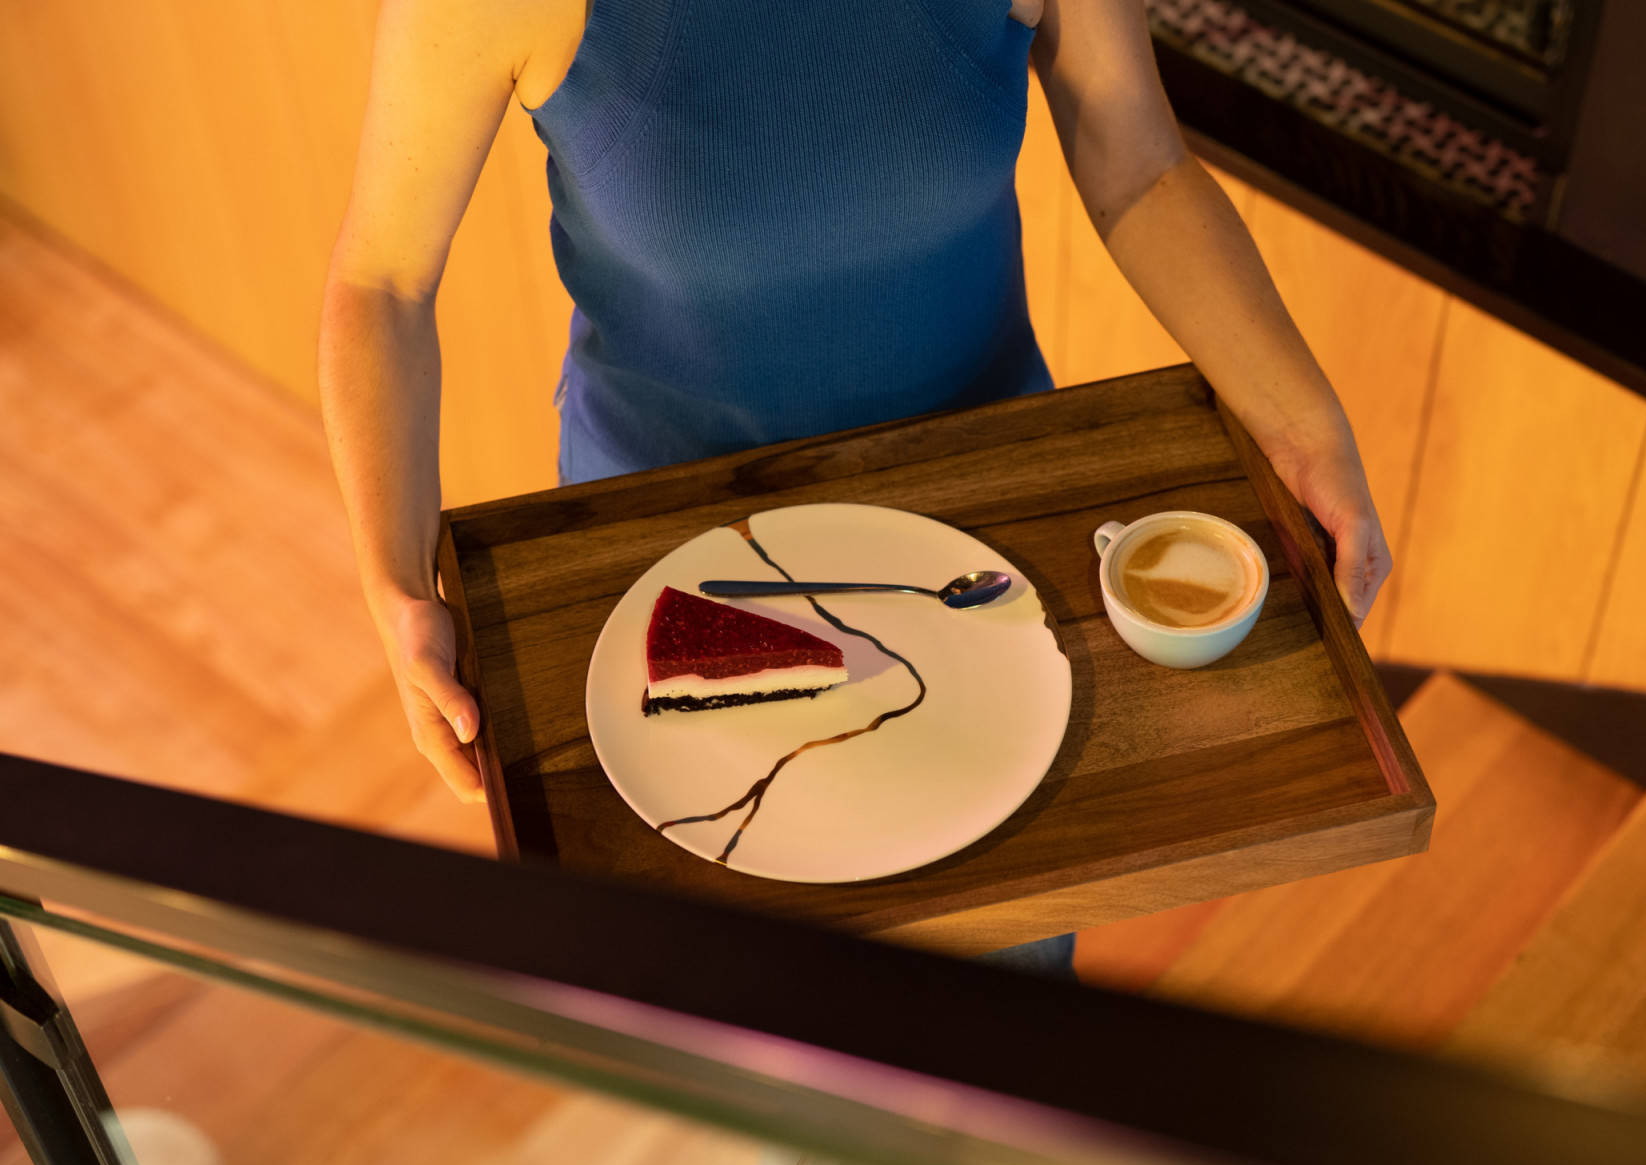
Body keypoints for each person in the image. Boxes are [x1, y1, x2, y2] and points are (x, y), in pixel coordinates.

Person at [320, 0, 1392, 814]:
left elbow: (1139, 171)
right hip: (660, 571)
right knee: (733, 998)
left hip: (980, 553)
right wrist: (395, 583)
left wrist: (1303, 428)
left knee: (994, 1000)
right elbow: (384, 283)